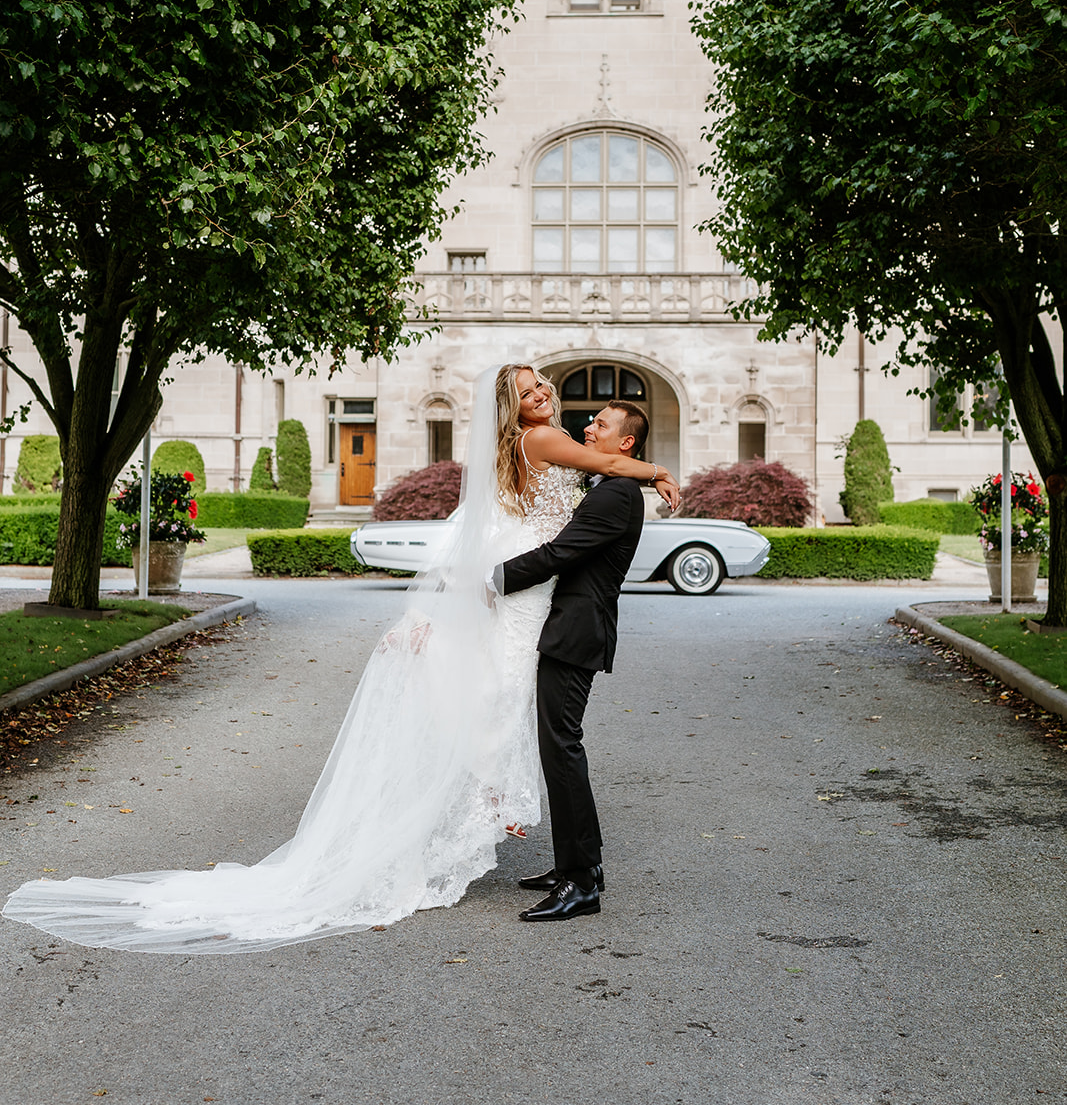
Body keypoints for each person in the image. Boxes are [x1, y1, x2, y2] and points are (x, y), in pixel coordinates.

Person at [2, 365, 677, 954]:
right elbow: (528, 529)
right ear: (513, 409)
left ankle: (568, 866)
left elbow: (535, 537)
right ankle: (560, 859)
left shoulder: (566, 464)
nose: (558, 402)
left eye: (562, 397)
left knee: (519, 717)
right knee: (505, 707)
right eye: (533, 390)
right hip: (528, 609)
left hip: (548, 618)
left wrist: (466, 593)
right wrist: (654, 472)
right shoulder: (546, 446)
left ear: (623, 436)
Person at [496, 399, 652, 922]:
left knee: (561, 749)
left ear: (625, 443)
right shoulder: (611, 487)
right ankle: (578, 866)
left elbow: (559, 554)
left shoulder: (617, 494)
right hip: (569, 628)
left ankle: (581, 882)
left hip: (576, 632)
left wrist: (490, 580)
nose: (589, 427)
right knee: (559, 748)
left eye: (601, 425)